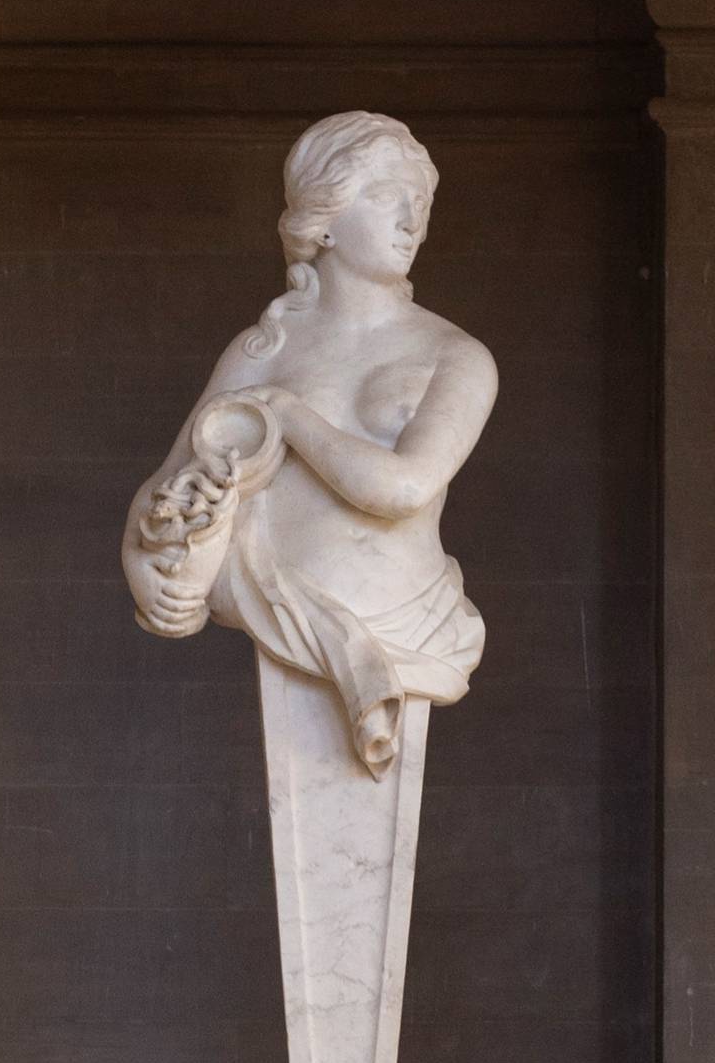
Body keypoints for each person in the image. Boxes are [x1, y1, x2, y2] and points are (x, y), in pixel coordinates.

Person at [123, 110, 497, 776]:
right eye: (388, 196)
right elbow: (169, 486)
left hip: (409, 622)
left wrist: (290, 416)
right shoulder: (262, 351)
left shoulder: (456, 356)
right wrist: (146, 570)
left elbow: (405, 488)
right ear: (323, 218)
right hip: (277, 604)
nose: (412, 220)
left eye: (421, 202)